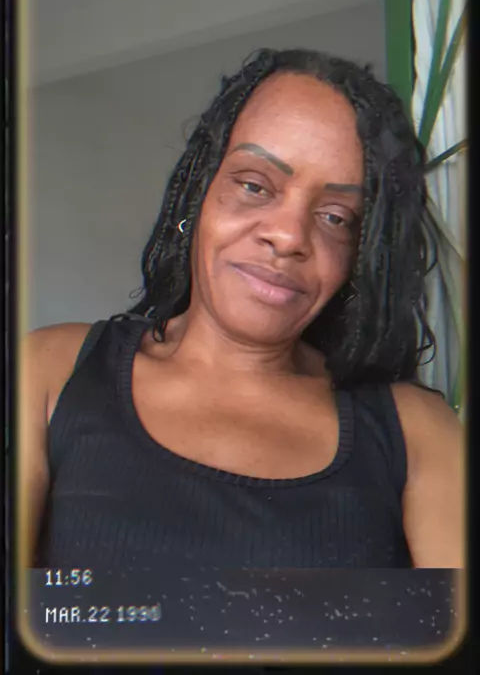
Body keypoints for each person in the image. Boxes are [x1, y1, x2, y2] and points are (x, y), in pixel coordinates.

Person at [21, 48, 464, 571]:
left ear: (359, 256)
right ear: (199, 197)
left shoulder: (416, 433)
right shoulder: (49, 372)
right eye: (255, 186)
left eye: (335, 217)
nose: (288, 236)